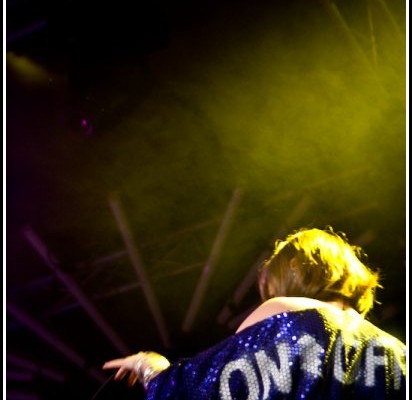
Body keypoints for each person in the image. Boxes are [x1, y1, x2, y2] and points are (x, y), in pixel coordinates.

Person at [103, 227, 406, 399]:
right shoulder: (398, 352)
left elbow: (206, 391)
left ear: (294, 268)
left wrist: (150, 369)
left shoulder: (286, 313)